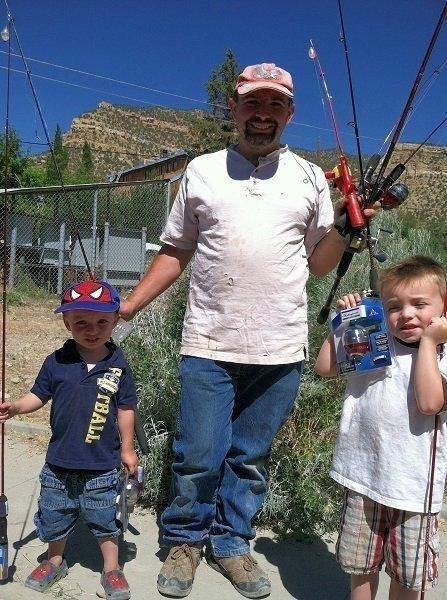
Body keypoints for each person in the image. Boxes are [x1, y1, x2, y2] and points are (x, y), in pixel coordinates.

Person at [120, 62, 378, 599]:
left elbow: (319, 263)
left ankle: (232, 542)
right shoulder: (203, 171)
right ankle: (185, 541)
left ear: (290, 113)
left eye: (275, 105)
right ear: (234, 109)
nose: (263, 115)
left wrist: (349, 231)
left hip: (281, 345)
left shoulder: (309, 178)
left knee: (250, 458)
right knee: (199, 452)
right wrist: (131, 304)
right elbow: (176, 250)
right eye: (252, 104)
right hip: (209, 342)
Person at [315, 256, 447, 600]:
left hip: (414, 489)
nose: (406, 314)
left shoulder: (443, 353)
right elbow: (325, 367)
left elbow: (430, 403)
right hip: (363, 477)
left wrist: (430, 344)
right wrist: (343, 325)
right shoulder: (372, 340)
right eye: (394, 306)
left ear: (443, 306)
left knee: (407, 575)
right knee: (360, 568)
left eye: (420, 304)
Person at [0, 279, 138, 600]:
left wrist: (128, 449)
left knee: (105, 517)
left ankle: (112, 568)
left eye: (102, 321)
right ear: (67, 323)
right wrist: (16, 408)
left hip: (102, 464)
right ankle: (55, 559)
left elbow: (126, 408)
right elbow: (37, 395)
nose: (92, 329)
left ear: (116, 320)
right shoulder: (56, 362)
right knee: (55, 513)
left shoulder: (118, 365)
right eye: (81, 322)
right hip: (59, 463)